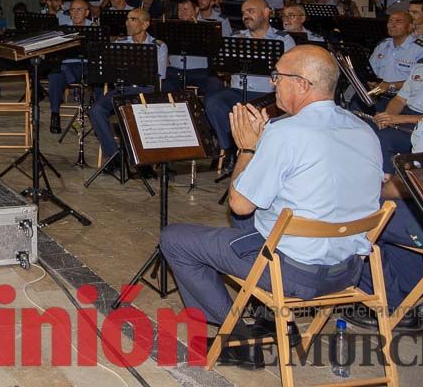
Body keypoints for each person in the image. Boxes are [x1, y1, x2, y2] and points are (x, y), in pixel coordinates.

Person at [161, 45, 383, 368]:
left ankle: (236, 339)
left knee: (175, 239)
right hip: (348, 269)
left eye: (278, 76)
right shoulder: (365, 130)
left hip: (294, 272)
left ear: (303, 84)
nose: (272, 83)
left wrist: (248, 150)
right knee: (254, 219)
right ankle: (274, 318)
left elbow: (238, 204)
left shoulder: (286, 132)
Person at [343, 26, 423, 333]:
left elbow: (416, 183)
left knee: (346, 211)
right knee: (393, 212)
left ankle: (391, 304)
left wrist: (379, 188)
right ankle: (412, 302)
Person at [203, 0, 296, 170]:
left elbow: (290, 72)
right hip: (238, 90)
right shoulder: (236, 37)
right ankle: (230, 147)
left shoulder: (284, 40)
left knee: (253, 110)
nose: (246, 15)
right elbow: (222, 66)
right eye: (244, 12)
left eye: (251, 11)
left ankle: (256, 153)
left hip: (268, 94)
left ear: (266, 12)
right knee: (213, 102)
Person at [368, 22, 423, 175]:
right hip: (404, 113)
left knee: (383, 138)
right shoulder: (421, 67)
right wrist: (388, 116)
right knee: (366, 129)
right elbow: (400, 99)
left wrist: (398, 119)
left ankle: (387, 182)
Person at [86, 9, 167, 171]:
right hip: (123, 89)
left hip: (146, 91)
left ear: (145, 24)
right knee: (96, 110)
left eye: (133, 19)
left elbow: (159, 76)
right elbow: (107, 70)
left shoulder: (158, 46)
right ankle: (115, 157)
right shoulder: (120, 43)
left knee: (134, 110)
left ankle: (143, 160)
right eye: (127, 19)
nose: (127, 23)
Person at [47, 0, 95, 134]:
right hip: (67, 65)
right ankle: (55, 115)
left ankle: (97, 117)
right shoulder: (63, 29)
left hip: (87, 66)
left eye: (79, 10)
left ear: (86, 13)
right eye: (72, 10)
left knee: (100, 75)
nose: (75, 13)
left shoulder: (94, 28)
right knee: (55, 76)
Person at [165, 0, 224, 94]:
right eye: (179, 9)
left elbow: (217, 51)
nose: (182, 12)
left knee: (215, 84)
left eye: (185, 9)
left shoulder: (208, 27)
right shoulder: (170, 27)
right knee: (163, 85)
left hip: (200, 72)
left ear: (196, 10)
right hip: (175, 72)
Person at [367, 10, 423, 94]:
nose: (392, 25)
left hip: (403, 96)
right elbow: (370, 71)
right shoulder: (382, 45)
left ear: (410, 27)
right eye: (390, 21)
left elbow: (421, 80)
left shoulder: (421, 48)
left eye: (398, 21)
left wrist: (391, 86)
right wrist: (371, 83)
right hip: (377, 92)